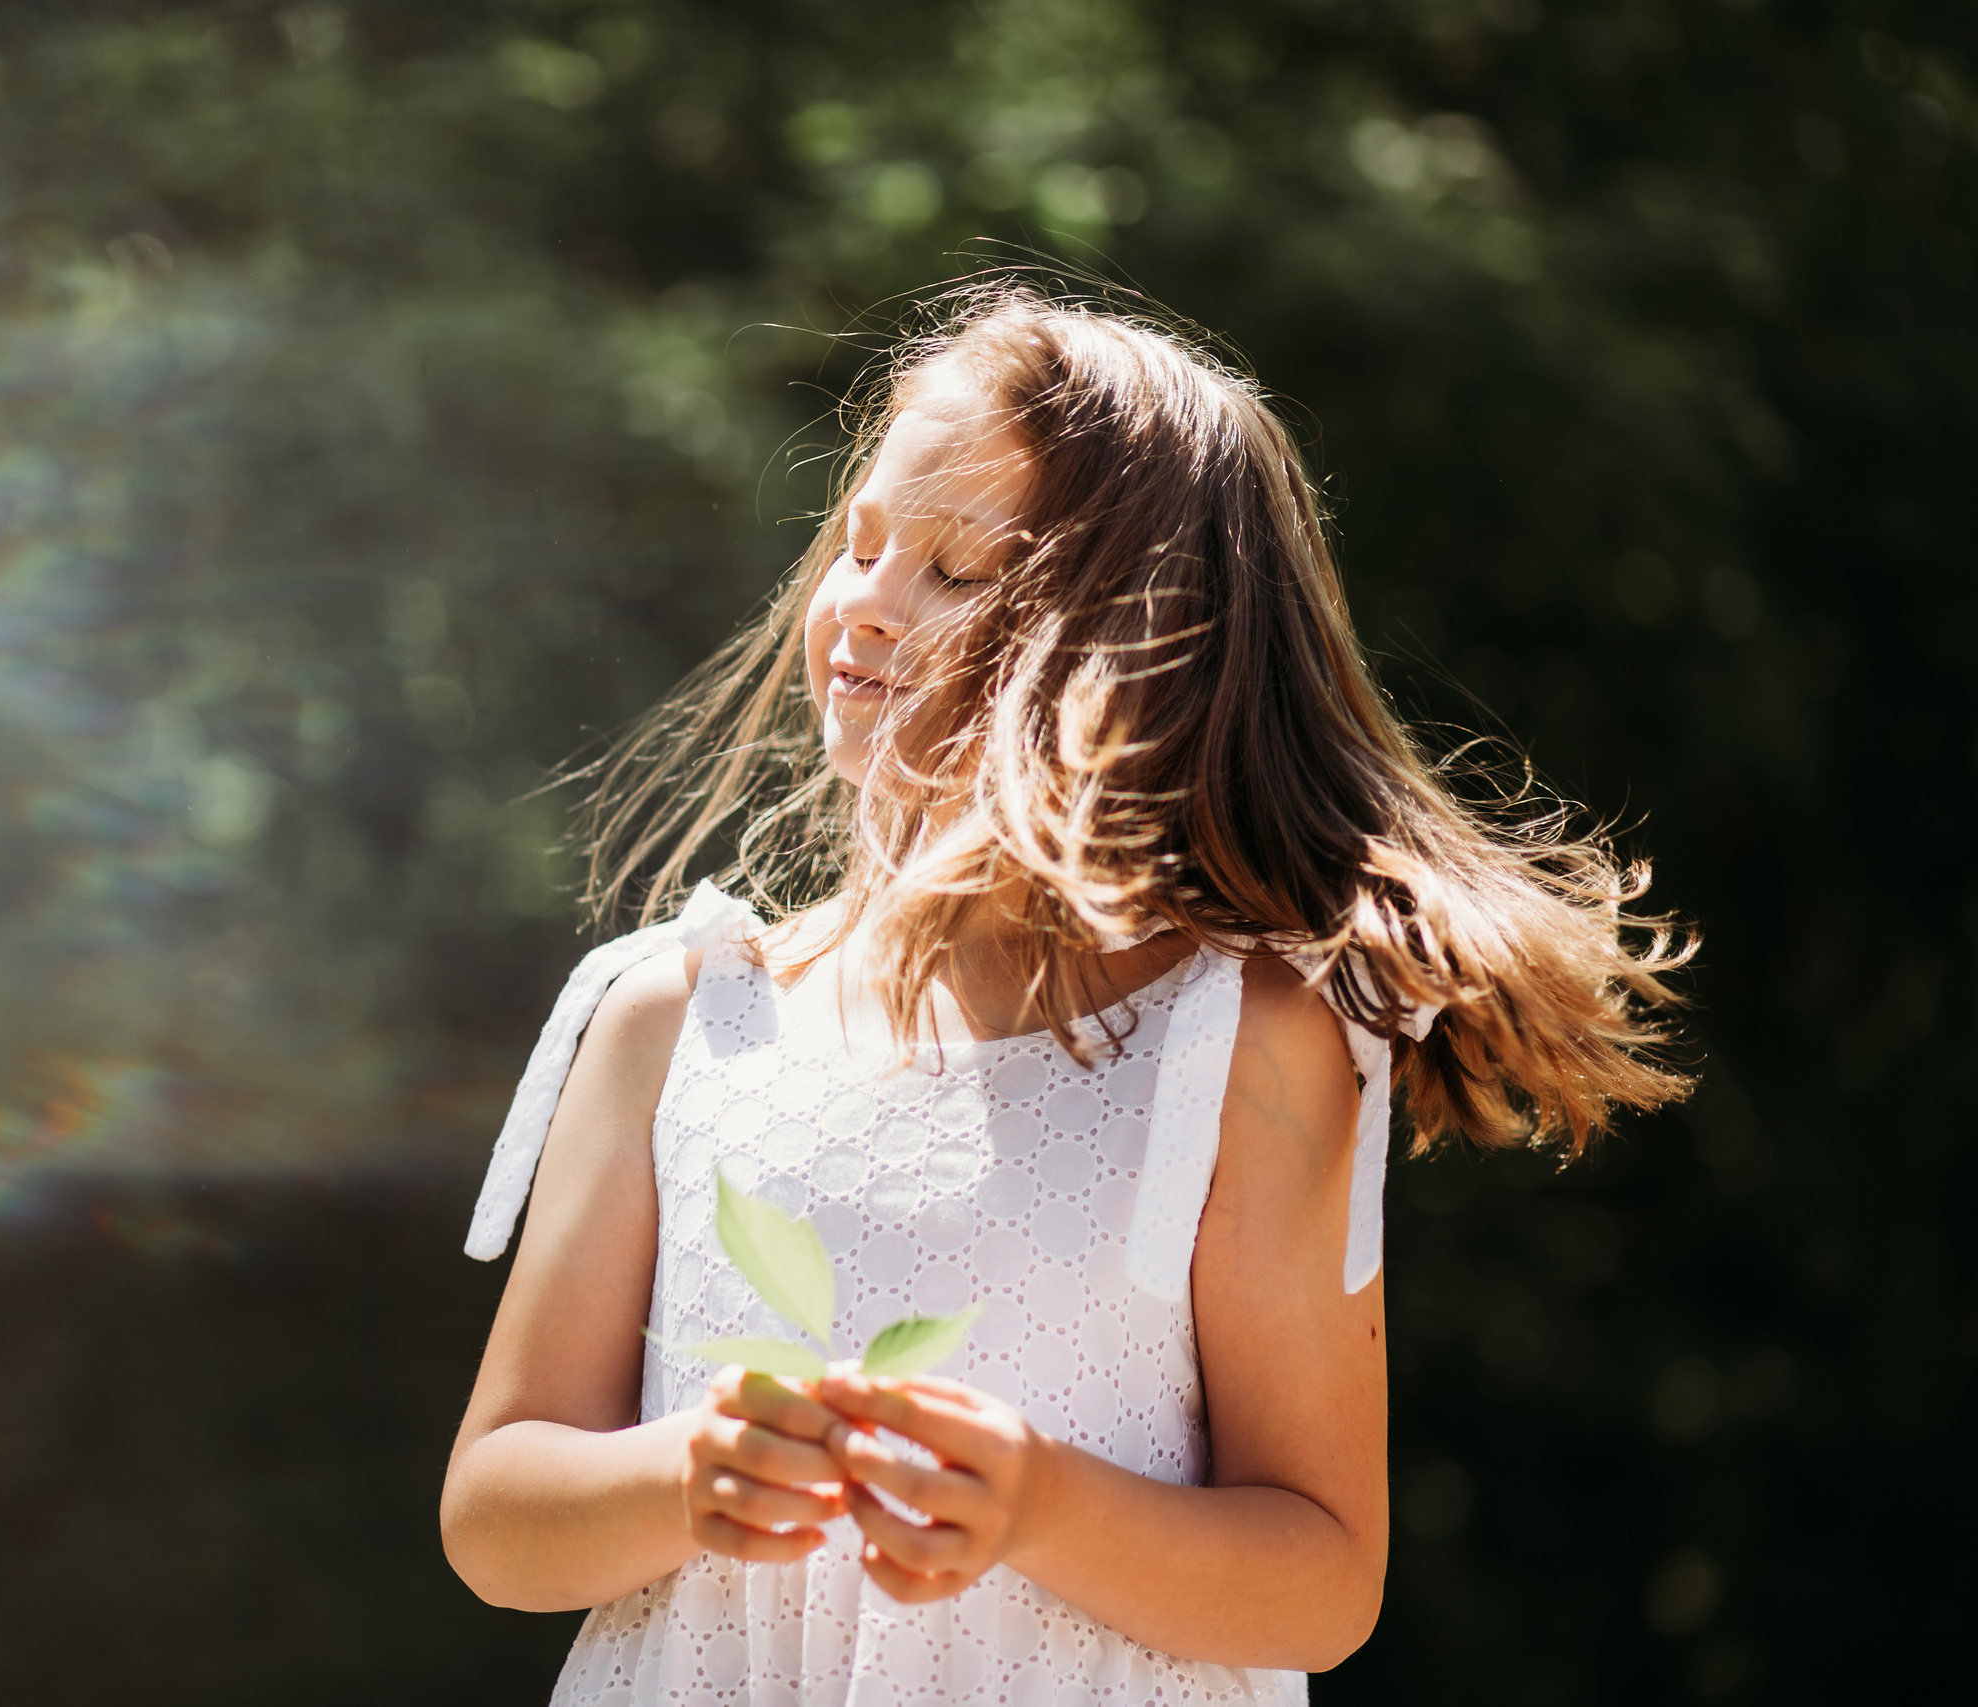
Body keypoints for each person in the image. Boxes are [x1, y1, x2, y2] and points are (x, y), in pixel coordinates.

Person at [439, 285, 1690, 1703]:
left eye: (956, 570)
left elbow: (1323, 1579)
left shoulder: (1242, 1047)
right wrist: (683, 1477)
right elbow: (494, 1515)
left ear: (1127, 647)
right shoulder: (677, 1022)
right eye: (861, 543)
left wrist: (1041, 1507)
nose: (865, 603)